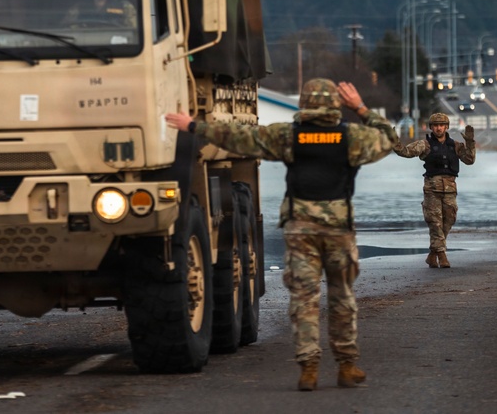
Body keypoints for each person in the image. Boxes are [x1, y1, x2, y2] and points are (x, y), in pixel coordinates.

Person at [164, 79, 398, 392]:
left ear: (303, 104)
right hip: (337, 229)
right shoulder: (352, 137)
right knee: (342, 296)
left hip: (300, 227)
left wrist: (193, 125)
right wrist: (360, 107)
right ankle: (346, 365)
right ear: (335, 105)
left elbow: (239, 138)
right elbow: (390, 138)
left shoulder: (287, 136)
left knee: (304, 298)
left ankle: (309, 368)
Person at [393, 112, 475, 268]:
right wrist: (394, 141)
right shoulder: (425, 144)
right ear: (431, 127)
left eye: (442, 125)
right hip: (432, 189)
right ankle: (442, 255)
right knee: (435, 223)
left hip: (450, 189)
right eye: (436, 125)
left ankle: (432, 254)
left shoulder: (455, 145)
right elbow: (405, 152)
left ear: (446, 127)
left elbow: (469, 160)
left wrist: (470, 142)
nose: (439, 128)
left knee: (449, 220)